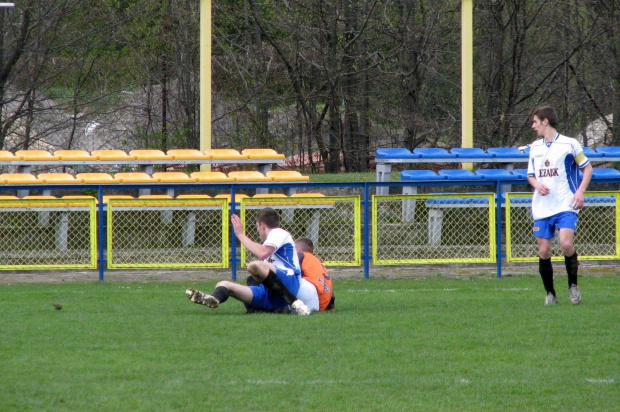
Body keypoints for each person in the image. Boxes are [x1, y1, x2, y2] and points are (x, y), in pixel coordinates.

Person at [186, 207, 319, 315]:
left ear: (261, 225)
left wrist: (240, 235)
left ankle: (295, 302)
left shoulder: (279, 232)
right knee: (223, 284)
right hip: (270, 291)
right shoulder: (270, 241)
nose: (257, 230)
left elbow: (262, 253)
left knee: (255, 266)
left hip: (290, 281)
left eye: (257, 226)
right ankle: (214, 299)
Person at [526, 105, 592, 305]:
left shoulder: (569, 144)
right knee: (544, 251)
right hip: (542, 207)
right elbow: (530, 175)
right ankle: (550, 294)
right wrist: (537, 184)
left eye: (535, 121)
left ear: (545, 121)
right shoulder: (535, 148)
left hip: (565, 203)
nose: (533, 126)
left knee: (565, 244)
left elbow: (587, 169)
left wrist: (580, 191)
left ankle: (573, 285)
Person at [295, 237, 335, 311]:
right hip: (322, 304)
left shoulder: (301, 255)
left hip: (310, 299)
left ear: (298, 250)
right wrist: (331, 307)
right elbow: (329, 286)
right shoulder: (319, 263)